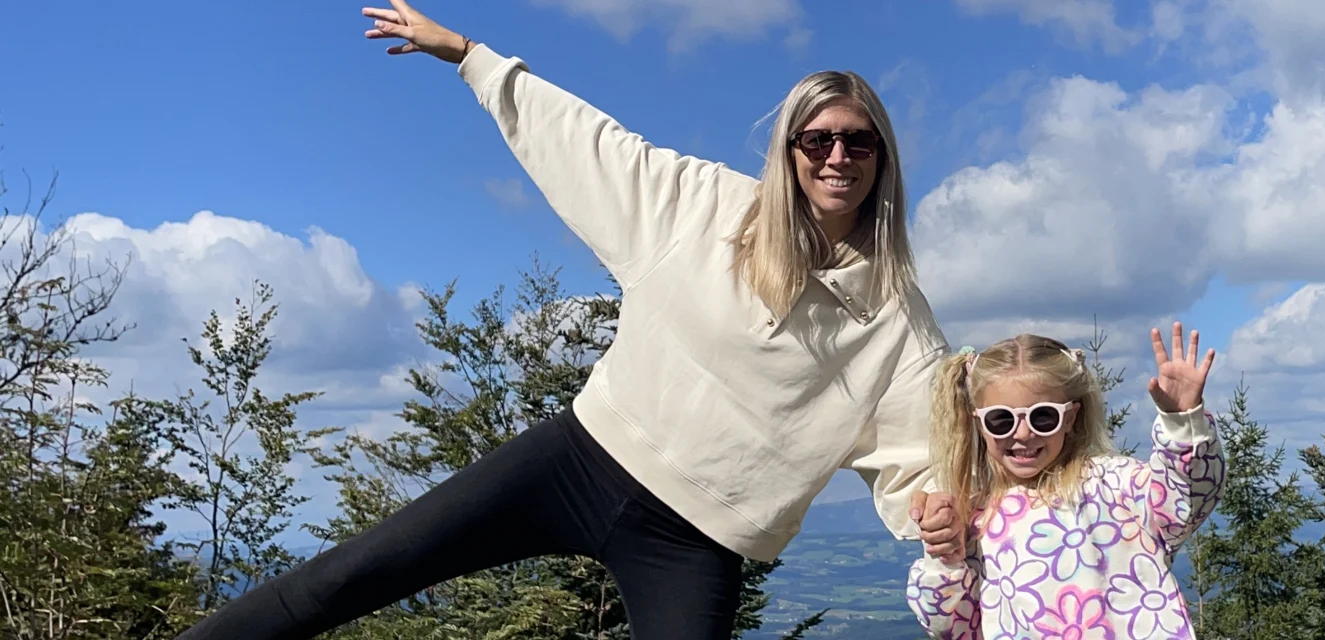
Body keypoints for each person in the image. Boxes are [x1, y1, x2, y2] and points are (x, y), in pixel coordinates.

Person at [176, 1, 963, 638]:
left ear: (882, 159)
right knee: (347, 576)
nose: (837, 157)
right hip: (578, 458)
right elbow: (592, 146)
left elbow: (927, 454)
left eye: (858, 142)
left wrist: (936, 513)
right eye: (817, 138)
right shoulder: (707, 207)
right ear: (789, 151)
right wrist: (471, 56)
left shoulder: (896, 319)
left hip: (696, 541)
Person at [904, 325, 1226, 639]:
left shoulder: (1114, 487)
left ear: (1070, 417)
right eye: (1001, 419)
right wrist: (943, 557)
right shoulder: (974, 519)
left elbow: (1184, 496)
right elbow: (949, 625)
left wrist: (1182, 424)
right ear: (980, 423)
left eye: (1043, 416)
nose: (1023, 433)